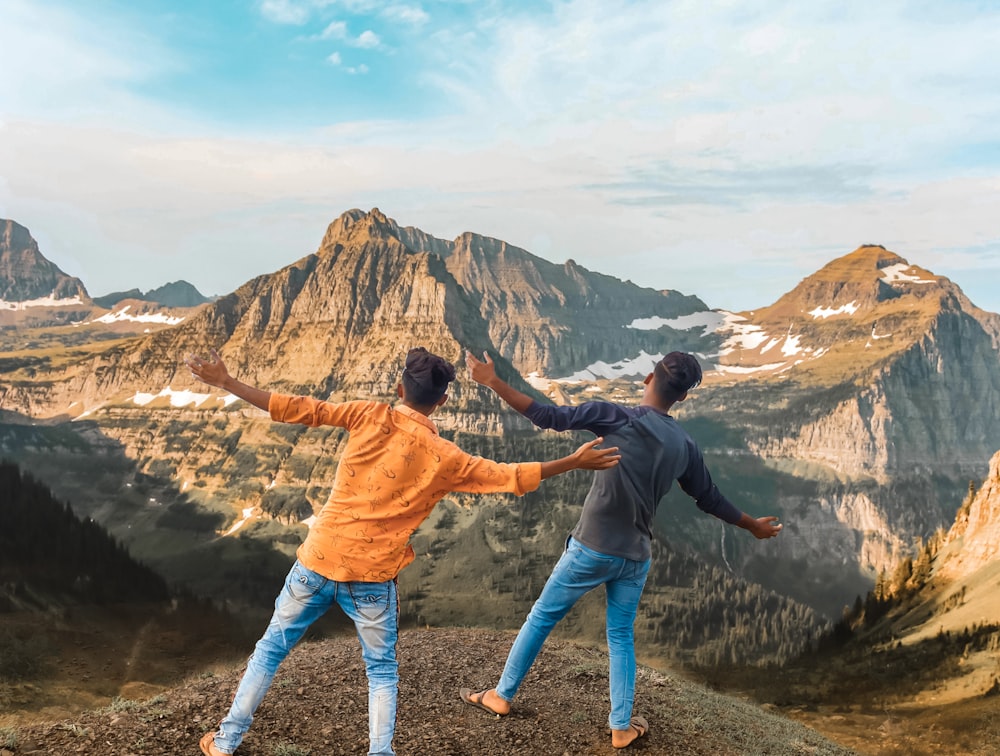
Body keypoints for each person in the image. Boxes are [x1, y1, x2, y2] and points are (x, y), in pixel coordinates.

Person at [186, 346, 621, 756]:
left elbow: (298, 407)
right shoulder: (446, 456)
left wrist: (227, 381)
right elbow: (508, 475)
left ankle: (226, 742)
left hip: (318, 559)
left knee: (270, 650)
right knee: (381, 671)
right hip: (373, 578)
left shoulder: (366, 414)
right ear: (444, 401)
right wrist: (572, 462)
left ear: (399, 390)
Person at [458, 350, 782, 750]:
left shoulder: (615, 416)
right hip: (635, 555)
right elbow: (709, 498)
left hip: (590, 547)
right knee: (620, 637)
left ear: (649, 378)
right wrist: (752, 525)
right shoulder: (685, 445)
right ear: (682, 397)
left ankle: (501, 696)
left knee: (541, 618)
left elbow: (547, 417)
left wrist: (491, 380)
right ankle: (621, 726)